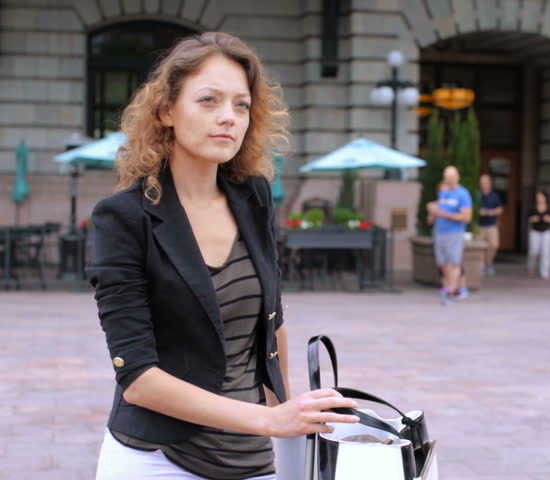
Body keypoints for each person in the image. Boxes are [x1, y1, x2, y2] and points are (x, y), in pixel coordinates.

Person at [87, 32, 359, 480]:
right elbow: (138, 380)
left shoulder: (254, 198)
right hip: (157, 459)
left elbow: (273, 320)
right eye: (209, 101)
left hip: (250, 456)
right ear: (166, 110)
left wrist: (290, 414)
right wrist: (270, 421)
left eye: (241, 105)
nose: (228, 118)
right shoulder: (122, 218)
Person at [427, 166, 472, 304]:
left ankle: (451, 292)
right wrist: (433, 211)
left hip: (454, 233)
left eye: (452, 177)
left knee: (454, 263)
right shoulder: (444, 193)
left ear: (457, 177)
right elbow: (436, 213)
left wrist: (445, 215)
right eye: (447, 177)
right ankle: (451, 287)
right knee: (443, 264)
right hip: (440, 233)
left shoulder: (463, 194)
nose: (449, 180)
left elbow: (467, 217)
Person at [478, 173, 503, 276]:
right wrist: (480, 212)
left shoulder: (494, 196)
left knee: (494, 244)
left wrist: (492, 212)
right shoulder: (477, 195)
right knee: (480, 247)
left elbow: (500, 209)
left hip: (492, 224)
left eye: (486, 182)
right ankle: (482, 265)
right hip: (480, 225)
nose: (484, 184)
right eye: (482, 182)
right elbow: (473, 209)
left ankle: (489, 263)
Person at [527, 191, 550, 280]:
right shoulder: (533, 208)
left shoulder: (549, 208)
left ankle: (545, 272)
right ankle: (531, 267)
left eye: (541, 196)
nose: (539, 198)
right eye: (538, 196)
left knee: (546, 252)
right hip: (535, 231)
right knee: (533, 251)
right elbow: (528, 218)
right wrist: (533, 219)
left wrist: (548, 219)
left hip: (546, 231)